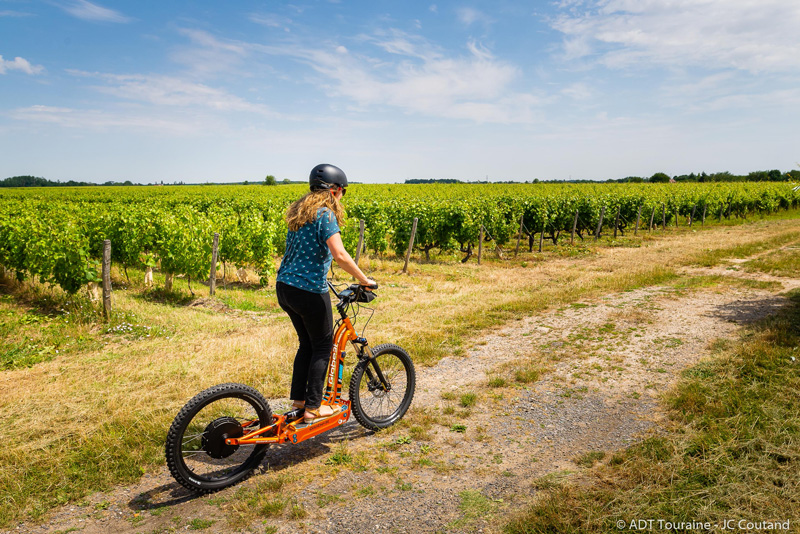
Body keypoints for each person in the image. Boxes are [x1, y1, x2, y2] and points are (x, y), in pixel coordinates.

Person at [276, 164, 375, 424]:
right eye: (342, 191)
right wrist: (364, 280)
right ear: (334, 190)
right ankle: (313, 408)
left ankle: (300, 401)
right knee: (322, 346)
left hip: (285, 287)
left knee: (306, 344)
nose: (342, 196)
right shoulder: (325, 215)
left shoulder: (299, 213)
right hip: (308, 291)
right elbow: (339, 255)